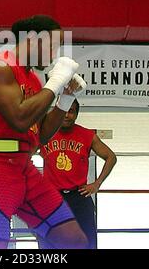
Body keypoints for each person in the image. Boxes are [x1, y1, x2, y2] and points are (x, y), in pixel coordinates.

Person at [0, 15, 88, 249]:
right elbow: (20, 119)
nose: (55, 54)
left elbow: (41, 134)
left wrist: (65, 98)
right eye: (53, 45)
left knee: (74, 240)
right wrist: (55, 82)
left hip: (25, 167)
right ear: (34, 40)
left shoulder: (32, 79)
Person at [39, 99, 117, 249]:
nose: (67, 115)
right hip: (51, 197)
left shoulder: (87, 135)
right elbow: (23, 155)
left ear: (76, 114)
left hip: (79, 197)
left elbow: (111, 157)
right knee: (47, 241)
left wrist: (97, 183)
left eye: (71, 111)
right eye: (64, 111)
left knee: (87, 242)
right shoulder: (44, 134)